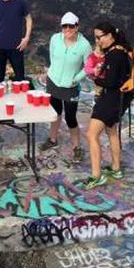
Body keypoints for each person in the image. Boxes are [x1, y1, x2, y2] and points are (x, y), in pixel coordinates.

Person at [79, 22, 134, 190]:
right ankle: (116, 168)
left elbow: (110, 82)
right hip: (122, 99)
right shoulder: (123, 49)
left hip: (110, 99)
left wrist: (95, 78)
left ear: (110, 35)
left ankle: (96, 176)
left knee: (91, 134)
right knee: (111, 130)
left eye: (99, 37)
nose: (98, 41)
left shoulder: (114, 55)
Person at [39, 12, 91, 162]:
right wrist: (52, 72)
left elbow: (88, 67)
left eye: (71, 26)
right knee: (54, 113)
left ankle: (76, 147)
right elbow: (52, 56)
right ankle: (52, 139)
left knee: (70, 118)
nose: (67, 29)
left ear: (77, 27)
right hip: (53, 82)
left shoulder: (84, 45)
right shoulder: (55, 39)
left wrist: (75, 79)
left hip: (71, 87)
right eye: (64, 26)